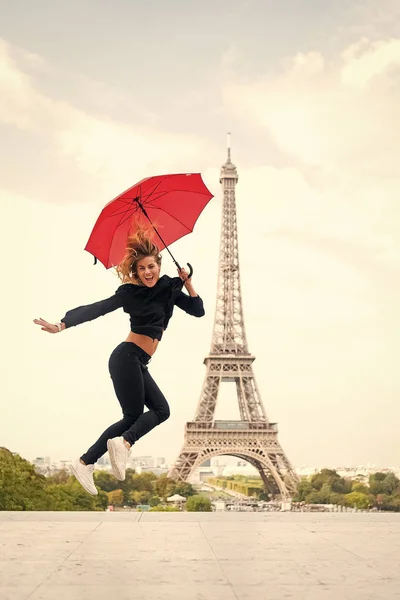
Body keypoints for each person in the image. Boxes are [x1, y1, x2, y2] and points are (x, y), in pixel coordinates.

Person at [33, 228, 205, 495]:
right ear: (135, 271)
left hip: (138, 360)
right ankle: (122, 444)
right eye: (142, 268)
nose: (148, 272)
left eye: (151, 266)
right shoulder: (129, 293)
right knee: (151, 413)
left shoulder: (168, 289)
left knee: (148, 413)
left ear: (159, 265)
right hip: (126, 357)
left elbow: (198, 311)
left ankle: (86, 462)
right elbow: (97, 308)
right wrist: (62, 324)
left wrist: (188, 281)